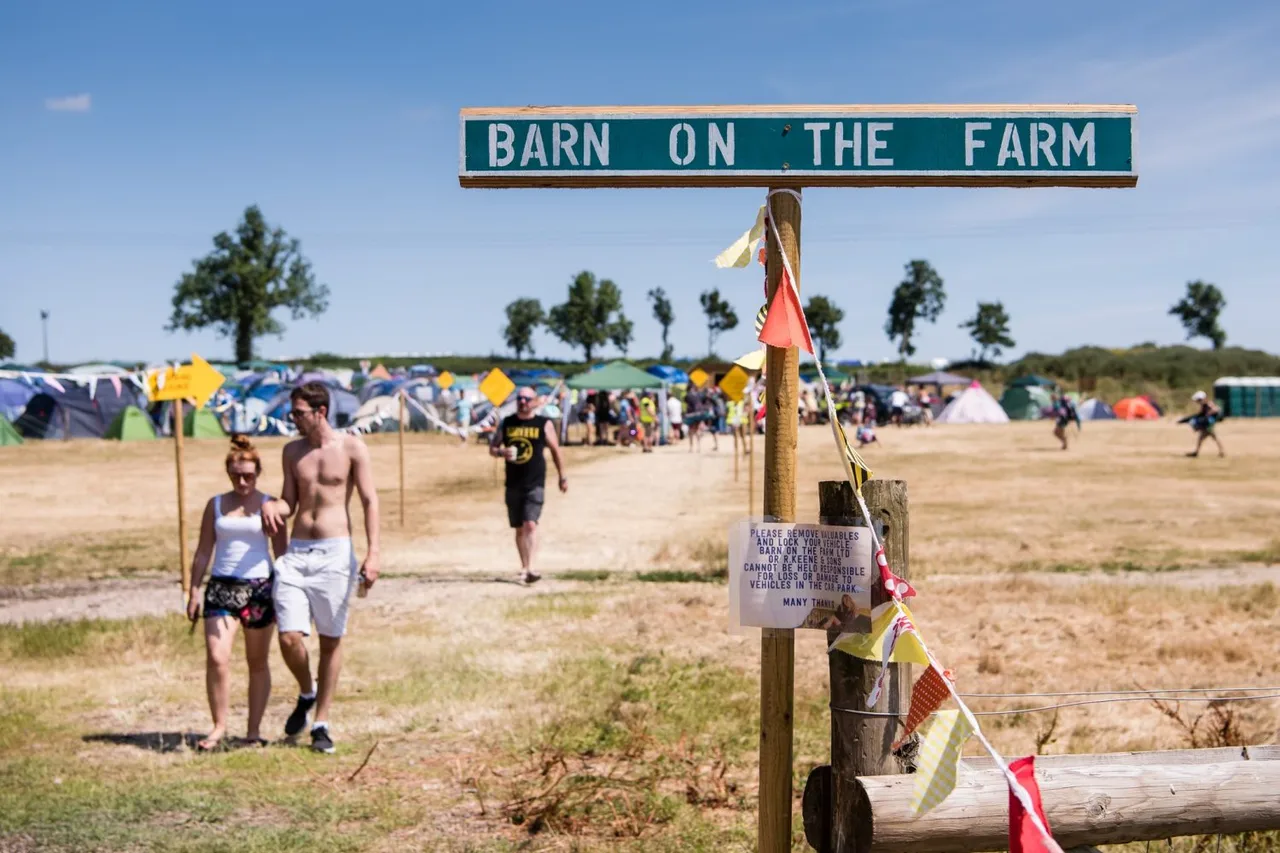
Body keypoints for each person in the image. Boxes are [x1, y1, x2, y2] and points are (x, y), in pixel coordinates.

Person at [261, 382, 381, 755]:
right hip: (297, 554)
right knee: (288, 637)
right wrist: (271, 505)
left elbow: (369, 500)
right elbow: (289, 503)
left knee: (330, 641)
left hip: (334, 552)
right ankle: (306, 691)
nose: (292, 419)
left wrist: (373, 553)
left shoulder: (351, 447)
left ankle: (322, 722)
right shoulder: (292, 451)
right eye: (292, 413)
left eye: (298, 413)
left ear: (320, 412)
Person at [186, 435, 287, 751]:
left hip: (259, 588)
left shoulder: (269, 504)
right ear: (228, 473)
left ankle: (253, 730)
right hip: (222, 588)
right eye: (236, 475)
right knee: (217, 657)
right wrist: (193, 589)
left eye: (249, 475)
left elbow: (282, 553)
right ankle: (218, 726)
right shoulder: (215, 505)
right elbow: (204, 551)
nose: (243, 481)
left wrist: (285, 592)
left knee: (257, 662)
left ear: (258, 472)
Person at [489, 386, 568, 584]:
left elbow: (556, 451)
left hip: (535, 482)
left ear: (534, 402)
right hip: (513, 482)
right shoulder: (508, 423)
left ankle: (532, 567)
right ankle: (524, 566)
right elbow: (493, 447)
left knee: (530, 524)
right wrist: (501, 453)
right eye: (519, 398)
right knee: (518, 527)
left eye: (526, 399)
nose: (522, 402)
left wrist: (562, 476)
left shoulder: (543, 424)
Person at [1182, 390, 1225, 458]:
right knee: (1205, 438)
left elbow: (1216, 409)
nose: (1197, 402)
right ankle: (1197, 452)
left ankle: (1221, 452)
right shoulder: (1204, 405)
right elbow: (1200, 414)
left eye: (1198, 400)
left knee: (1212, 437)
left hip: (1209, 424)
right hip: (1207, 424)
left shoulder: (1208, 404)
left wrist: (1208, 414)